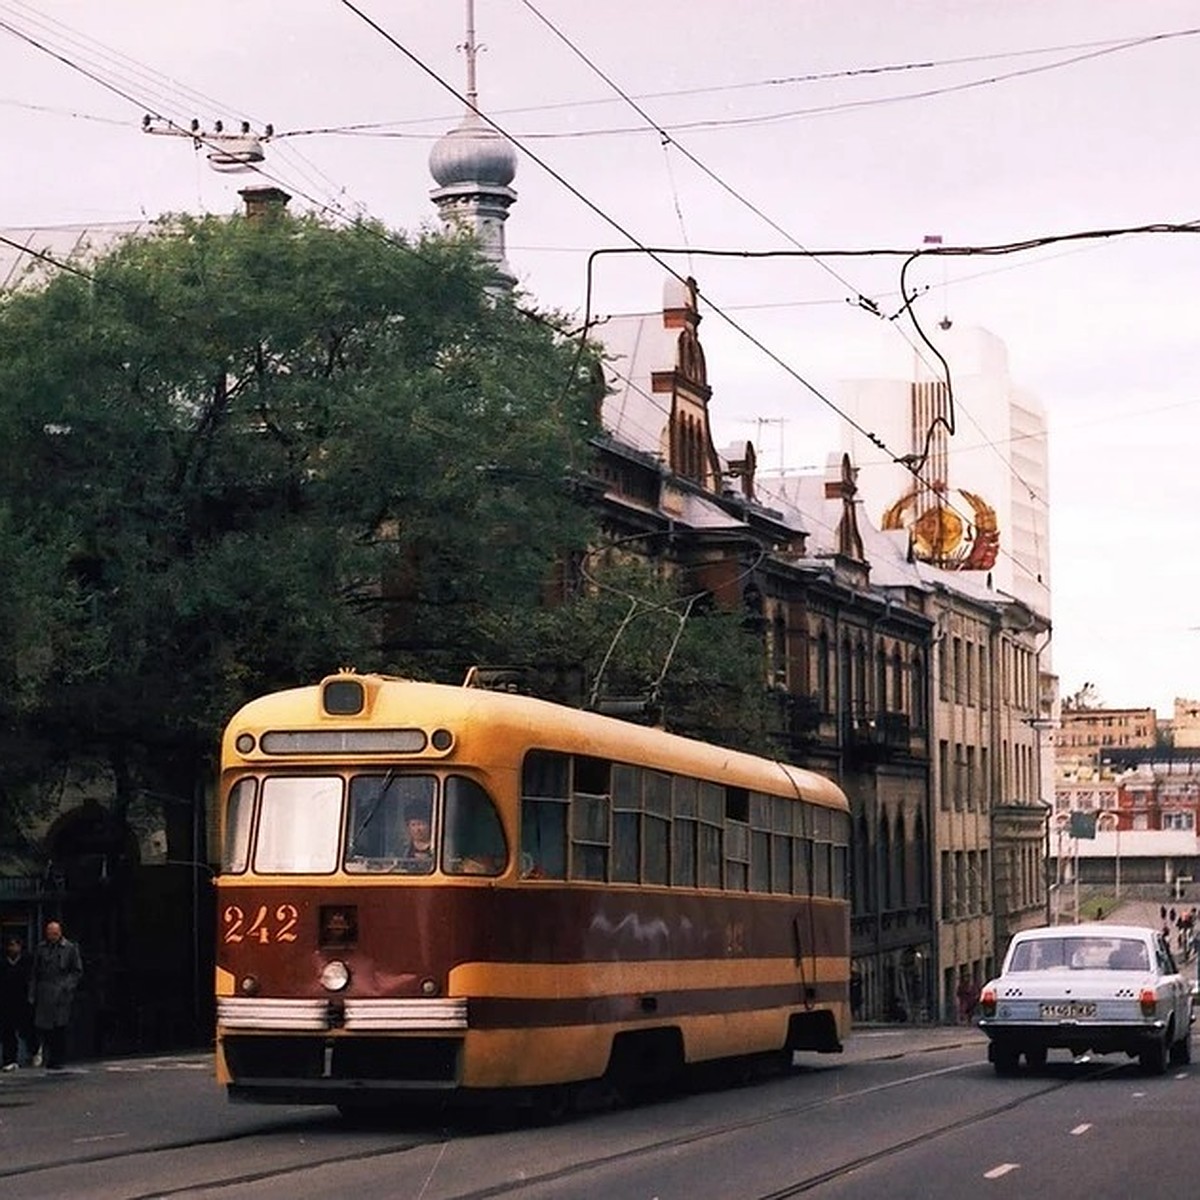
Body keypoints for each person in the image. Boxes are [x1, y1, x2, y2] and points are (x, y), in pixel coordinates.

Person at [28, 920, 83, 1071]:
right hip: (45, 991)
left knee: (60, 1027)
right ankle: (47, 1056)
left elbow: (77, 971)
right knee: (45, 1029)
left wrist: (68, 986)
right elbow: (35, 972)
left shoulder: (70, 948)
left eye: (55, 933)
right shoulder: (41, 948)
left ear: (60, 933)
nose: (53, 936)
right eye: (50, 933)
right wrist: (32, 993)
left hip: (61, 993)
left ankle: (58, 1058)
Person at [1, 934, 34, 1071]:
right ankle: (9, 1059)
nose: (12, 948)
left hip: (23, 1001)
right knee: (7, 1031)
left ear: (20, 947)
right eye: (10, 945)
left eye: (15, 945)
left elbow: (32, 979)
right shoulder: (3, 962)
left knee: (26, 1029)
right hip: (6, 1001)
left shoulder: (27, 961)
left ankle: (33, 1050)